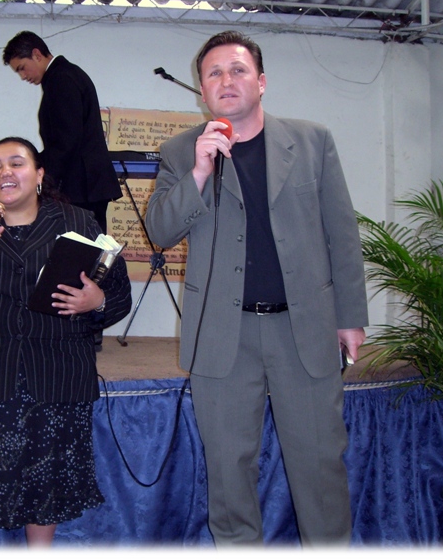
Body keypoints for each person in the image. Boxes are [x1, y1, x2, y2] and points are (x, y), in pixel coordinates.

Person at [145, 31, 368, 547]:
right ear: (202, 90)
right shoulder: (180, 151)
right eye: (214, 73)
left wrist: (350, 317)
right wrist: (200, 171)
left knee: (320, 466)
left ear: (261, 82)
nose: (226, 80)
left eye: (238, 69)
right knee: (228, 473)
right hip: (223, 335)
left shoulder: (312, 141)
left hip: (303, 328)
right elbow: (160, 230)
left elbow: (341, 232)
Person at [0, 136, 132, 548]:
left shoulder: (79, 222)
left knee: (45, 483)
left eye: (16, 163)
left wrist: (96, 301)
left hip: (56, 376)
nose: (5, 173)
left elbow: (118, 292)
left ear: (39, 174)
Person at [2, 31, 122, 235]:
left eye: (22, 68)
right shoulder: (64, 75)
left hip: (80, 187)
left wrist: (41, 179)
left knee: (80, 250)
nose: (23, 76)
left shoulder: (61, 79)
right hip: (84, 185)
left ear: (37, 54)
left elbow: (66, 141)